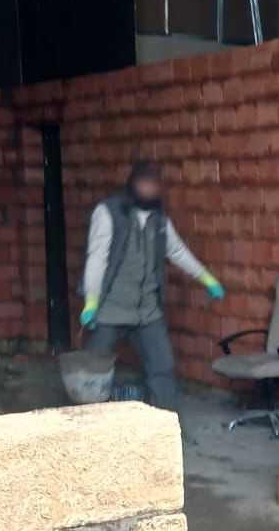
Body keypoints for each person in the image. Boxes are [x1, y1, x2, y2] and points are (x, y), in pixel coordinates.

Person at [80, 160, 224, 410]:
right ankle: (86, 423)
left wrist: (207, 278)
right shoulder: (109, 212)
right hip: (110, 308)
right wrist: (91, 302)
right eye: (143, 182)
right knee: (92, 372)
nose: (148, 188)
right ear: (133, 183)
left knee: (162, 368)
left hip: (147, 310)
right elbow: (97, 257)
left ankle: (165, 422)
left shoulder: (159, 218)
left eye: (153, 184)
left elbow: (177, 251)